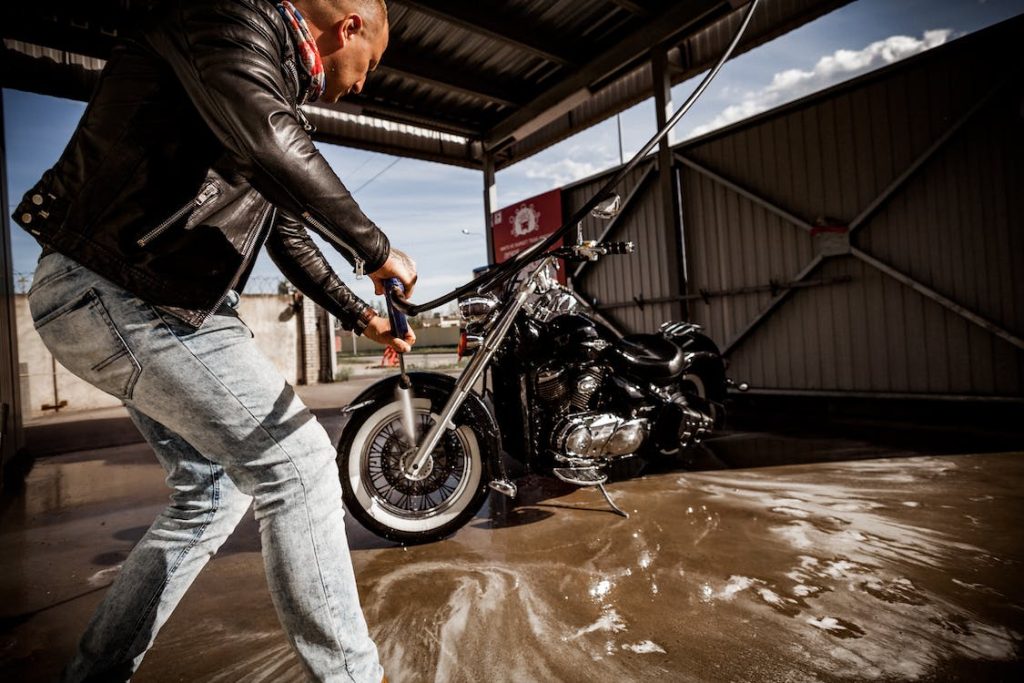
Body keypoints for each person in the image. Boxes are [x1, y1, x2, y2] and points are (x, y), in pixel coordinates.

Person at [12, 0, 408, 680]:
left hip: (149, 297)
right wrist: (374, 247)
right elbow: (268, 140)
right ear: (348, 28)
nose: (363, 82)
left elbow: (285, 233)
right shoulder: (225, 22)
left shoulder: (263, 87)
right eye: (369, 65)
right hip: (123, 289)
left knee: (213, 494)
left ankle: (97, 671)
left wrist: (359, 315)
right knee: (300, 465)